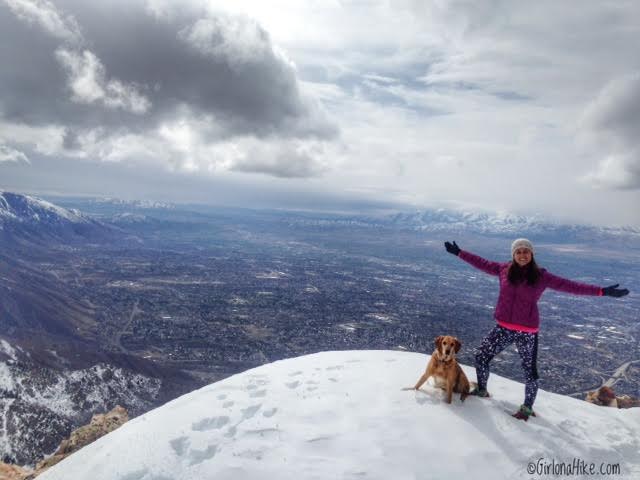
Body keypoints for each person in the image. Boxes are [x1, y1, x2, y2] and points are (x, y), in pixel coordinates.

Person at [444, 238, 629, 421]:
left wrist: (602, 291)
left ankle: (526, 408)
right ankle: (482, 390)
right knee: (482, 355)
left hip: (527, 332)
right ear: (513, 254)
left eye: (526, 251)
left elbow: (571, 286)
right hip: (503, 328)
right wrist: (460, 253)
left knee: (529, 372)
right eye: (518, 251)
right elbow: (482, 263)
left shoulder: (541, 276)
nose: (522, 255)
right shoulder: (503, 270)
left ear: (532, 254)